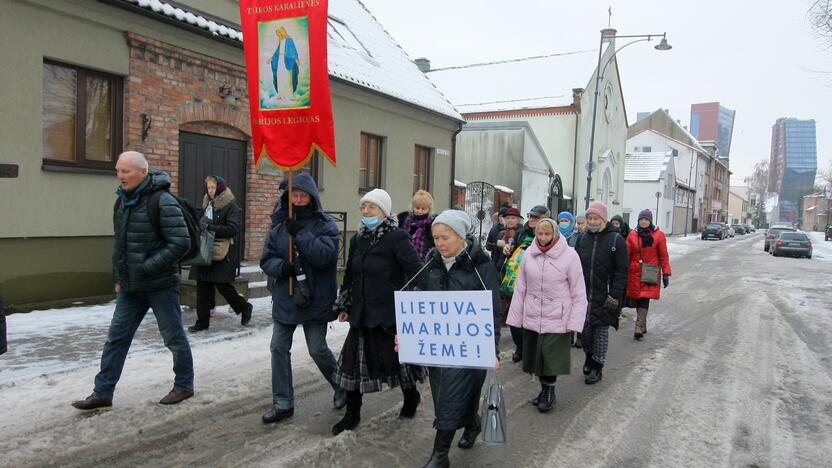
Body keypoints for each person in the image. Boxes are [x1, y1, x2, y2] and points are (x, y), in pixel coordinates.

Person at [72, 151, 194, 411]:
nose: (120, 176)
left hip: (160, 285)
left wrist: (149, 266)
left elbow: (181, 242)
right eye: (118, 170)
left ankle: (184, 384)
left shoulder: (163, 201)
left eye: (125, 171)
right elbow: (121, 245)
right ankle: (102, 392)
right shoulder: (122, 202)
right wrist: (119, 276)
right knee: (116, 338)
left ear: (142, 172)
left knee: (173, 337)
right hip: (131, 288)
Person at [332, 189, 425, 436]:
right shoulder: (357, 239)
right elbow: (351, 275)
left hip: (390, 315)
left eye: (371, 207)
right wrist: (345, 304)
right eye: (363, 207)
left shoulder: (397, 237)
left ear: (384, 212)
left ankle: (411, 396)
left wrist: (414, 304)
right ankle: (352, 413)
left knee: (399, 364)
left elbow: (417, 272)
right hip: (362, 314)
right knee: (353, 366)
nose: (366, 212)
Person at [417, 210, 501, 467]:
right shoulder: (431, 263)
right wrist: (410, 334)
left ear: (461, 237)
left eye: (445, 238)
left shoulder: (481, 267)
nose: (439, 243)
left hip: (469, 347)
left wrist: (492, 349)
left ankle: (440, 455)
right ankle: (472, 422)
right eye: (436, 238)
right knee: (445, 393)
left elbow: (493, 311)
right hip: (438, 347)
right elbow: (420, 302)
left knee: (451, 396)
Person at [260, 173, 345, 424]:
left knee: (317, 348)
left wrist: (300, 235)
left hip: (316, 297)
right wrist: (280, 267)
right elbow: (266, 259)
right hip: (286, 296)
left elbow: (326, 257)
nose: (298, 199)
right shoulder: (278, 225)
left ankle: (342, 385)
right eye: (294, 195)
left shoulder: (325, 224)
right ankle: (283, 402)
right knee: (278, 347)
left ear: (312, 197)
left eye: (303, 195)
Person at [506, 218, 587, 412]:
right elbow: (521, 287)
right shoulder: (529, 254)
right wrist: (516, 317)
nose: (543, 238)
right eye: (540, 234)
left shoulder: (570, 256)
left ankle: (549, 391)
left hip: (557, 315)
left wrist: (575, 321)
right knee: (537, 357)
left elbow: (578, 291)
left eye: (547, 234)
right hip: (534, 313)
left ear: (555, 234)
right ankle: (544, 390)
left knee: (550, 357)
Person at [188, 176, 252, 332]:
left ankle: (244, 307)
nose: (210, 191)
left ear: (221, 188)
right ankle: (202, 322)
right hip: (205, 250)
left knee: (223, 285)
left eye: (213, 188)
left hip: (221, 252)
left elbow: (232, 229)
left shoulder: (231, 207)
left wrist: (210, 227)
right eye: (208, 187)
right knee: (202, 284)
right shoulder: (207, 205)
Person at [574, 202, 628, 385]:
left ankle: (597, 365)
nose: (592, 221)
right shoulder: (582, 239)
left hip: (605, 293)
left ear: (603, 219)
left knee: (601, 331)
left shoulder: (616, 240)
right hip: (584, 292)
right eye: (589, 218)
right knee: (585, 331)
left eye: (596, 218)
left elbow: (622, 270)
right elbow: (574, 266)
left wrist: (615, 295)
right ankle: (590, 356)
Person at [502, 205, 549, 362]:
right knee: (515, 320)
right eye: (530, 216)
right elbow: (513, 251)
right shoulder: (522, 232)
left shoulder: (550, 234)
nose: (532, 219)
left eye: (536, 217)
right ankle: (521, 346)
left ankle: (532, 350)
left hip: (539, 283)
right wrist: (508, 250)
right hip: (518, 281)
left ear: (546, 218)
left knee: (532, 320)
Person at [625, 209, 671, 340]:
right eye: (641, 219)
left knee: (645, 297)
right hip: (634, 272)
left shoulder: (659, 235)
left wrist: (666, 272)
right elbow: (626, 255)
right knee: (637, 298)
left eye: (646, 219)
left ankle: (638, 327)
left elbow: (663, 255)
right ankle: (642, 324)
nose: (643, 221)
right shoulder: (632, 235)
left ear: (650, 221)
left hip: (650, 271)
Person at [397, 189, 436, 262]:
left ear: (429, 209)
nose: (420, 211)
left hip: (424, 262)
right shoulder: (404, 221)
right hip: (404, 259)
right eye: (417, 208)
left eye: (423, 209)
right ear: (413, 207)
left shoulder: (432, 225)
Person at [269, 26, 300, 100]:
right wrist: (271, 59)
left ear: (282, 32)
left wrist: (296, 59)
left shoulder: (289, 40)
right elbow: (277, 52)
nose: (279, 35)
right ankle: (281, 94)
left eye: (279, 33)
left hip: (287, 61)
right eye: (278, 34)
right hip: (280, 61)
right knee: (280, 76)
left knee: (287, 77)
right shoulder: (281, 41)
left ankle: (289, 95)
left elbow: (293, 50)